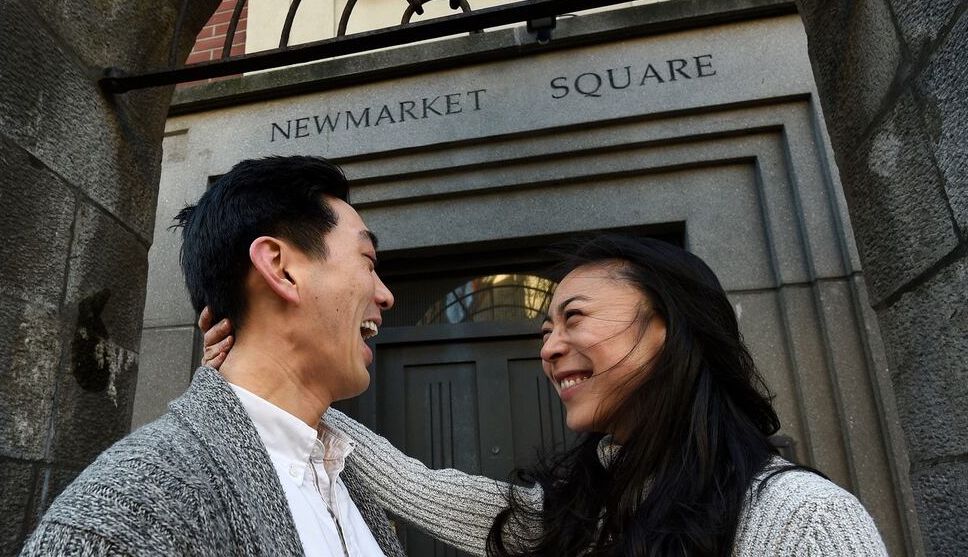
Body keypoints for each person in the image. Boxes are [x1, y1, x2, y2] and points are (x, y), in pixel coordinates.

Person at [203, 233, 888, 556]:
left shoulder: (805, 519)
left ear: (669, 330)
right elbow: (417, 485)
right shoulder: (581, 513)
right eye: (546, 326)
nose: (549, 346)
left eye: (574, 317)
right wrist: (273, 387)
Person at [23, 156, 404, 556]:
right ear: (280, 268)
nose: (385, 295)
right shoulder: (128, 511)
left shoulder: (342, 475)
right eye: (368, 262)